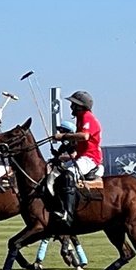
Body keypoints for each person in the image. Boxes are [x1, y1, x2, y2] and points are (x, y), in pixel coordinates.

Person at [49, 90, 103, 227]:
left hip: (90, 158)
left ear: (80, 106)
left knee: (68, 175)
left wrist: (64, 137)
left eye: (73, 104)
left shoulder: (87, 117)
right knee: (55, 171)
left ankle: (68, 213)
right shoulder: (80, 118)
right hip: (81, 156)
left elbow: (84, 136)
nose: (71, 107)